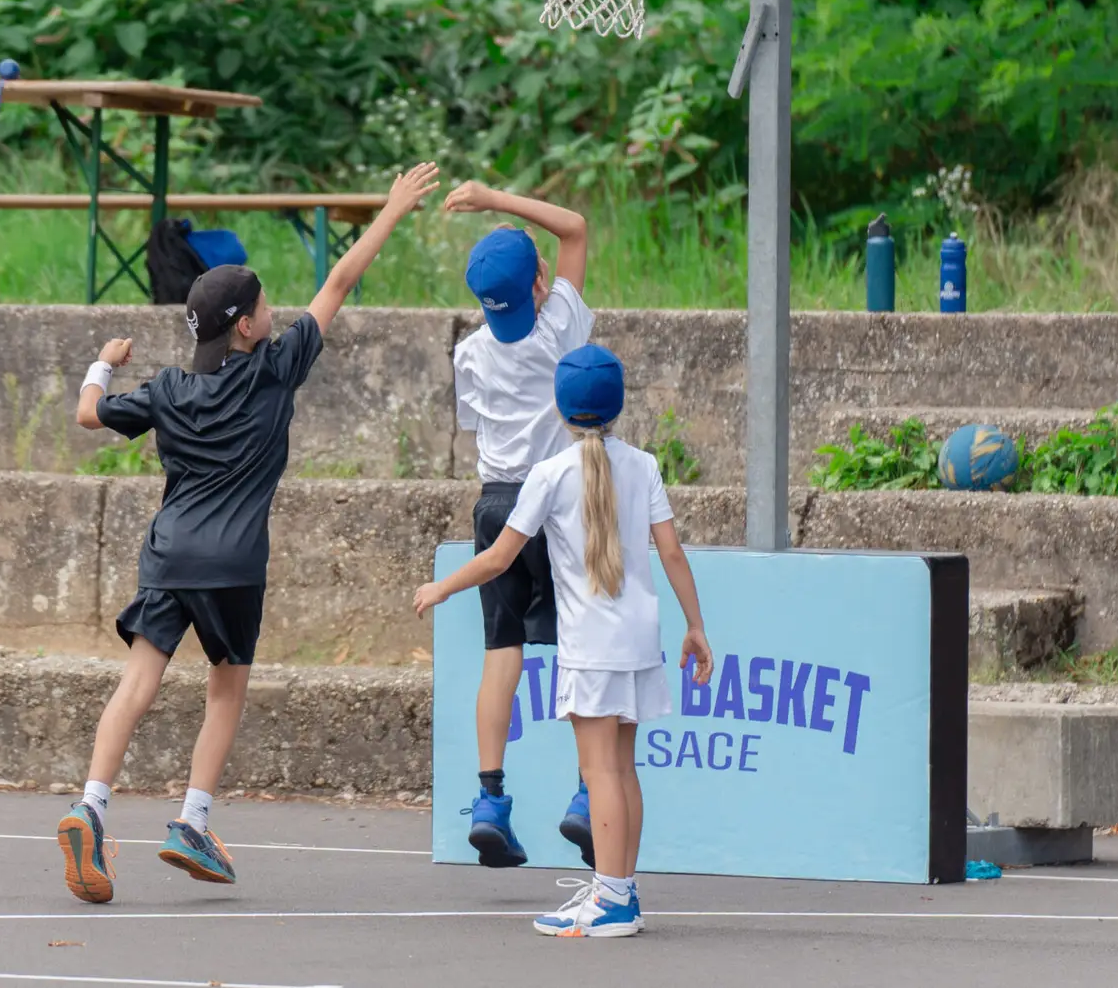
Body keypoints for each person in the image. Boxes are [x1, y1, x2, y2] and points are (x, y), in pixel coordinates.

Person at [55, 162, 440, 904]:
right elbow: (339, 284)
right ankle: (193, 820)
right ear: (246, 325)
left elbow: (89, 417)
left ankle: (91, 805)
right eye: (266, 305)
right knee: (224, 691)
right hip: (234, 563)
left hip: (169, 555)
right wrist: (390, 211)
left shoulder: (168, 388)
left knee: (139, 681)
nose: (276, 311)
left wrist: (100, 364)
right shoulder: (274, 369)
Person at [415, 344, 713, 938]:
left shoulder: (549, 474)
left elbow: (500, 557)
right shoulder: (645, 465)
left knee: (600, 771)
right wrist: (697, 626)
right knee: (623, 770)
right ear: (619, 404)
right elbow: (672, 552)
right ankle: (620, 891)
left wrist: (442, 586)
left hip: (592, 645)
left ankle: (610, 900)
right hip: (640, 637)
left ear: (559, 407)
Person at [444, 181, 596, 867]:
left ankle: (490, 797)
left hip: (496, 503)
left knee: (501, 652)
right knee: (583, 649)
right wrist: (493, 197)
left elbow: (473, 423)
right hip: (557, 499)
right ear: (539, 283)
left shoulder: (471, 351)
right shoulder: (559, 322)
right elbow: (576, 228)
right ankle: (590, 792)